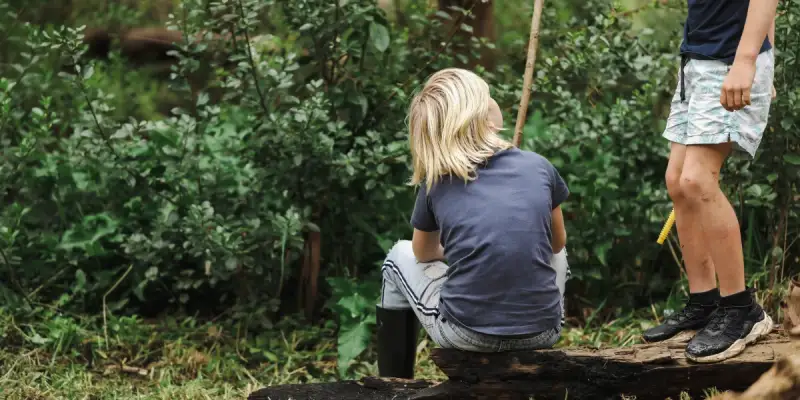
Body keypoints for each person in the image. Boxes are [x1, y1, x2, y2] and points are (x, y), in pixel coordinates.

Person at [374, 68, 571, 379]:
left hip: (467, 334)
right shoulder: (538, 166)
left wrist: (464, 249)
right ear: (483, 117)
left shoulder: (436, 182)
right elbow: (557, 245)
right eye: (487, 96)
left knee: (398, 255)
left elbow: (422, 254)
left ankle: (394, 383)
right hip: (543, 331)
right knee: (556, 252)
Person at [642, 0, 779, 363]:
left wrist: (749, 63)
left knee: (698, 181)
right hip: (697, 64)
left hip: (730, 63)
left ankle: (742, 310)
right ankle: (704, 300)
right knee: (677, 181)